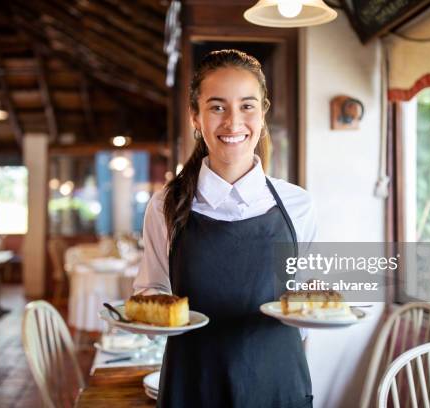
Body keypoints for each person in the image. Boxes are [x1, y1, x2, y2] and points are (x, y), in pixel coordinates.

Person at [133, 49, 320, 408]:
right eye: (217, 107)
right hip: (192, 383)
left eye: (247, 106)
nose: (233, 122)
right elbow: (152, 289)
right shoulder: (165, 205)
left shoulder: (298, 205)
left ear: (263, 114)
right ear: (195, 117)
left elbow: (303, 302)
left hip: (278, 384)